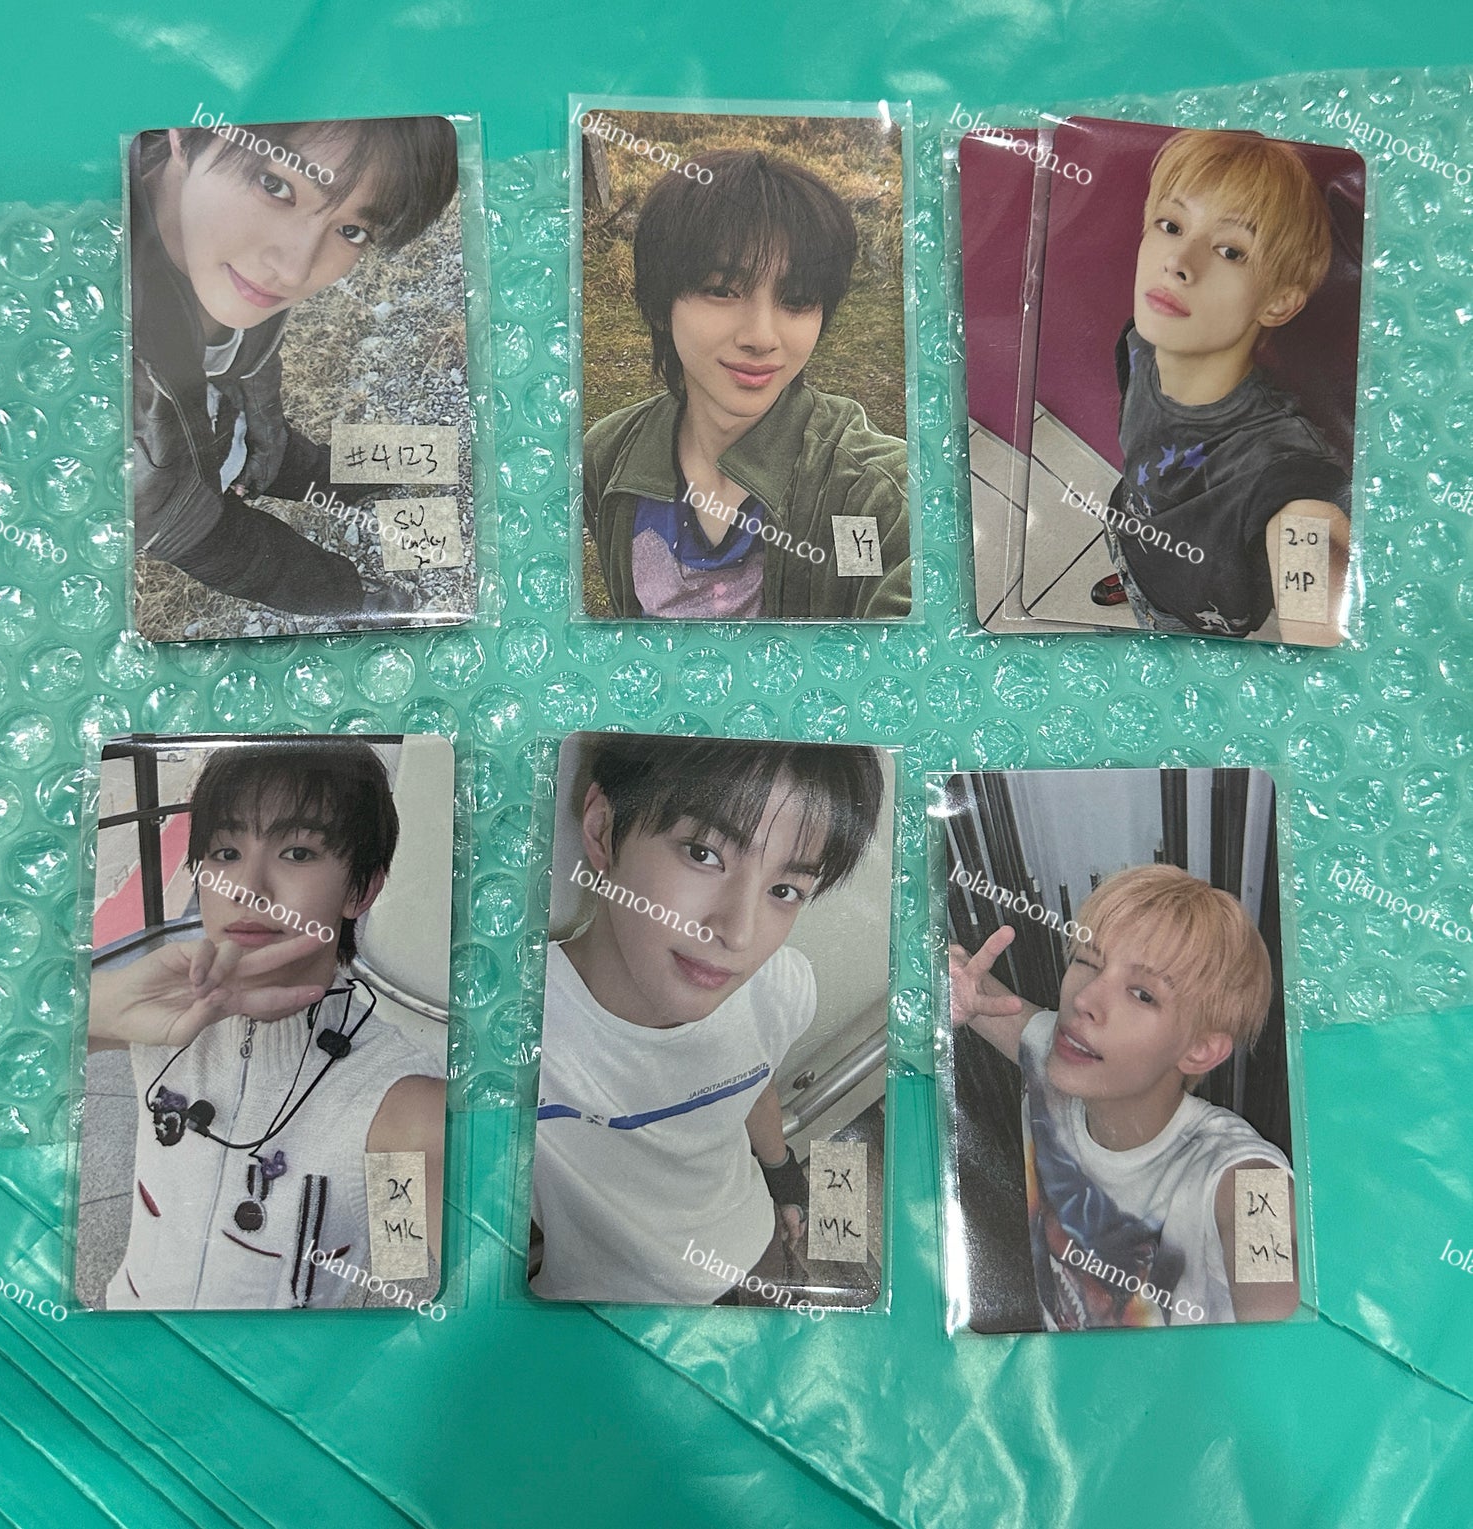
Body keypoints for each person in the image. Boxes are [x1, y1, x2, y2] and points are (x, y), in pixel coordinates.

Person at [86, 740, 445, 1310]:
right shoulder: (167, 1010)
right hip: (125, 1337)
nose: (246, 888)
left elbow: (403, 1254)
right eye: (226, 852)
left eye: (297, 852)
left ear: (361, 889)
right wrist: (109, 1002)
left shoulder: (394, 1095)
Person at [529, 736, 884, 1304]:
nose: (738, 934)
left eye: (785, 890)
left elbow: (754, 1083)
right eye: (703, 854)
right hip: (602, 1320)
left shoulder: (781, 987)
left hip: (758, 1252)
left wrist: (783, 1180)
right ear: (602, 829)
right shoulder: (519, 1030)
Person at [129, 115, 458, 618]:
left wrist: (265, 433)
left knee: (302, 462)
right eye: (274, 185)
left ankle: (369, 472)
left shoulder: (229, 251)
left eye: (351, 230)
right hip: (180, 512)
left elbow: (252, 362)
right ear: (181, 129)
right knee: (274, 568)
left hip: (238, 434)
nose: (295, 269)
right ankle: (356, 599)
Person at [949, 863, 1298, 1329]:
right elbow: (985, 1002)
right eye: (1087, 962)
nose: (1084, 1000)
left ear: (1200, 1049)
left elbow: (1284, 1335)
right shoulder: (1059, 1060)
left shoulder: (1249, 1179)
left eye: (1142, 994)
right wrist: (950, 978)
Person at [583, 147, 910, 620]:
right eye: (722, 290)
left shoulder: (875, 496)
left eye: (797, 299)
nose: (761, 337)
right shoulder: (608, 457)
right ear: (659, 303)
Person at [1090, 129, 1351, 643]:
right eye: (1171, 225)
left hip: (1192, 616)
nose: (1178, 262)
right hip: (1128, 532)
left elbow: (1316, 568)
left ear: (1278, 302)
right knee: (1133, 554)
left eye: (1231, 251)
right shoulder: (1139, 341)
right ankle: (1134, 574)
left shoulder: (1282, 468)